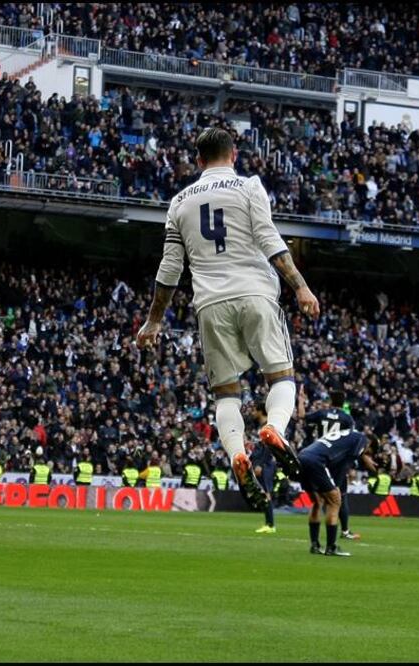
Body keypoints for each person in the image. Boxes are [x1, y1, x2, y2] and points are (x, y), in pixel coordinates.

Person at [137, 127, 318, 512]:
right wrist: (300, 286)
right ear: (233, 155)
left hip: (210, 304)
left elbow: (170, 268)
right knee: (281, 377)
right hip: (255, 292)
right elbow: (269, 239)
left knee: (226, 393)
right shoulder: (250, 187)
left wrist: (154, 321)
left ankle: (239, 455)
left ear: (198, 160)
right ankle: (275, 429)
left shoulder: (179, 203)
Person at [299, 428, 378, 557]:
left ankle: (315, 545)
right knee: (335, 501)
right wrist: (337, 486)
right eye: (368, 452)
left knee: (317, 502)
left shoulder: (348, 434)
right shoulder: (362, 439)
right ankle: (331, 547)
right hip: (317, 461)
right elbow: (347, 463)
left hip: (303, 456)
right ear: (369, 445)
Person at [299, 387, 359, 539]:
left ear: (331, 401)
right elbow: (351, 440)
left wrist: (301, 400)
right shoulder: (347, 418)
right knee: (340, 497)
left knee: (318, 500)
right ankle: (344, 531)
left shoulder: (321, 414)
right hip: (336, 461)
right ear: (343, 402)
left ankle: (315, 541)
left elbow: (301, 416)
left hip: (319, 457)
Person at [249, 405, 277, 533]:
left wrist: (260, 464)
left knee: (266, 493)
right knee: (263, 493)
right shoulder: (261, 426)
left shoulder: (268, 426)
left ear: (260, 411)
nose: (252, 412)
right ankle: (268, 523)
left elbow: (268, 448)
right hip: (260, 463)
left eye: (254, 410)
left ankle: (270, 525)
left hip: (265, 464)